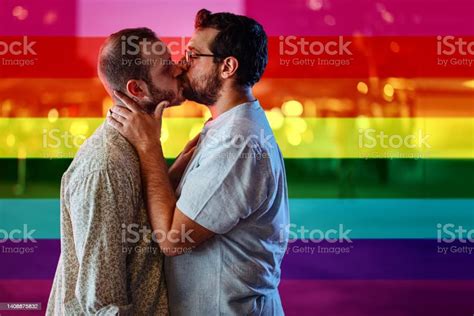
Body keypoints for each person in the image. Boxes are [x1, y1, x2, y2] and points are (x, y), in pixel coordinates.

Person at [108, 9, 290, 315]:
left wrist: (149, 146)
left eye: (193, 55)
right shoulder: (224, 129)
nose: (181, 65)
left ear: (227, 67)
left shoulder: (237, 144)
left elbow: (171, 239)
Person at [47, 27, 185, 315]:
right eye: (166, 67)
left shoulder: (139, 147)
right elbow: (102, 304)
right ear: (137, 89)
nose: (179, 69)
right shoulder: (107, 165)